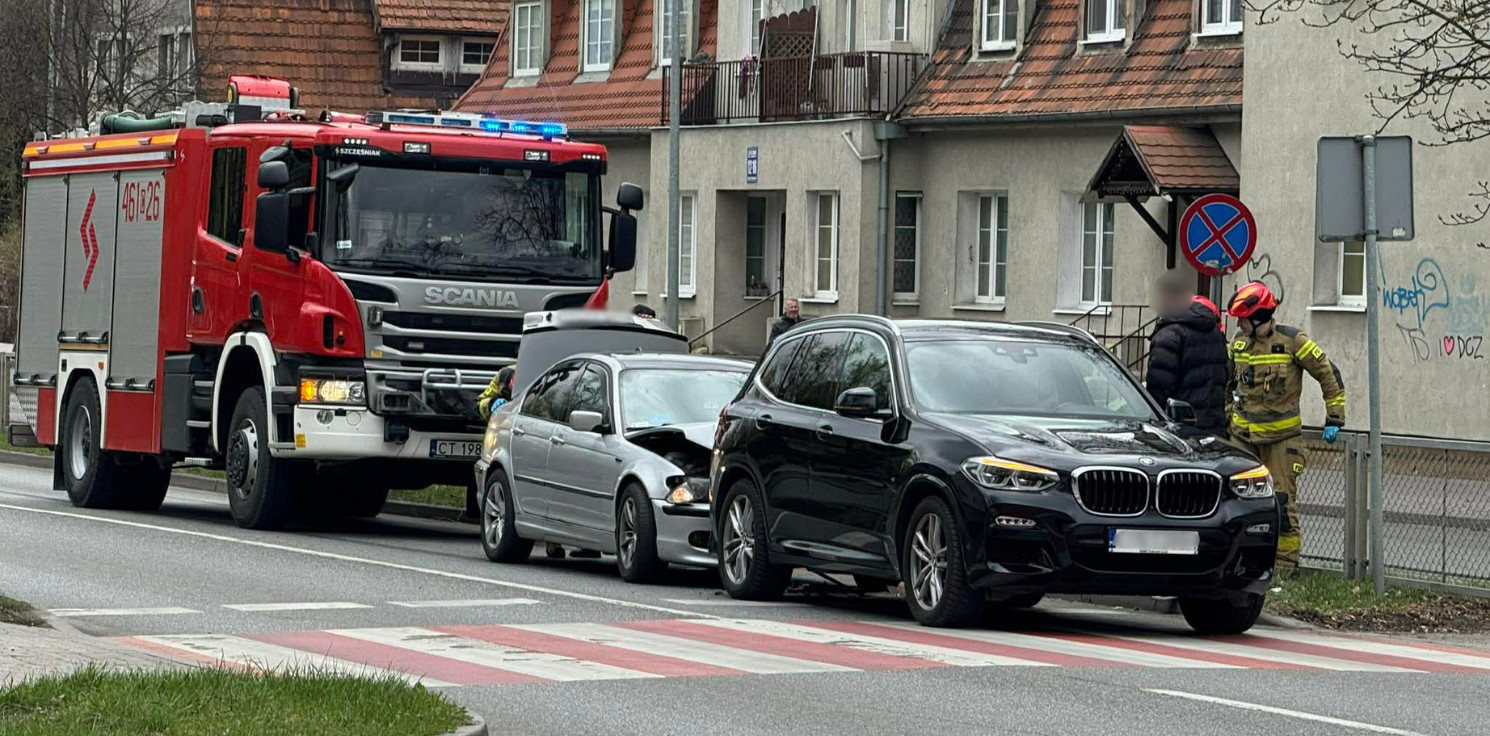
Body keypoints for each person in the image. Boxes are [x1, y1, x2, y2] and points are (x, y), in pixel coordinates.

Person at [1226, 281, 1346, 571]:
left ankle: (1284, 567)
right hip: (1243, 437)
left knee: (1280, 504)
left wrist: (1335, 417)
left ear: (1258, 318)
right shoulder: (1238, 345)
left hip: (1281, 441)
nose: (1240, 325)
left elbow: (1329, 374)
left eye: (1243, 319)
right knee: (1236, 503)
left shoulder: (1294, 341)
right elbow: (1227, 383)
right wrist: (1227, 416)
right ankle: (1242, 562)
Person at [1146, 279, 1229, 434]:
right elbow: (1223, 378)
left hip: (1180, 429)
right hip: (1215, 426)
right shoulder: (1215, 333)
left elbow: (1158, 389)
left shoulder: (1169, 335)